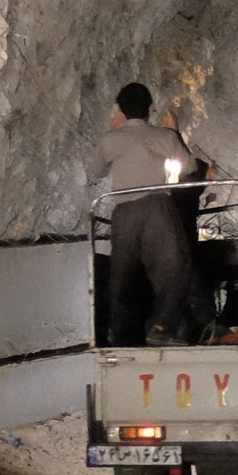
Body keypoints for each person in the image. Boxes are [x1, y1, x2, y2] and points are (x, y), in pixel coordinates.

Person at [86, 81, 210, 344]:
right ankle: (161, 327)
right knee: (175, 267)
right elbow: (189, 166)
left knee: (122, 273)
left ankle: (116, 333)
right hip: (156, 209)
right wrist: (173, 134)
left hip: (124, 211)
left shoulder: (111, 139)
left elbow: (95, 171)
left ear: (121, 109)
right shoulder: (162, 137)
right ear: (150, 108)